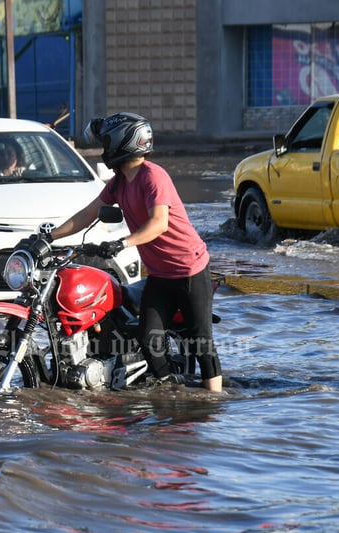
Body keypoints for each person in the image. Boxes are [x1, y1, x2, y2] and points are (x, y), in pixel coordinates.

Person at [48, 112, 223, 392]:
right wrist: (48, 236)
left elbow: (158, 223)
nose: (104, 149)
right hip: (160, 276)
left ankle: (214, 404)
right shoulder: (118, 182)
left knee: (200, 340)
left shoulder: (153, 176)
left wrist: (122, 243)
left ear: (123, 143)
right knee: (148, 337)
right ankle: (169, 391)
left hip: (189, 269)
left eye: (106, 142)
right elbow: (86, 214)